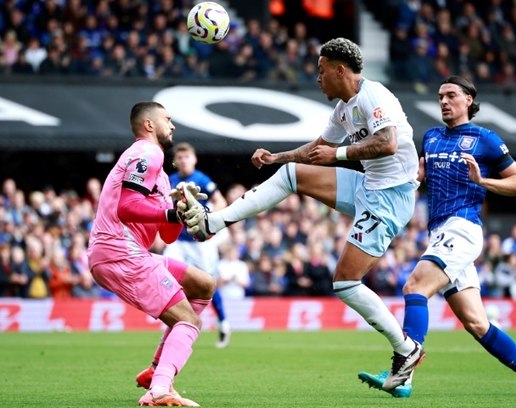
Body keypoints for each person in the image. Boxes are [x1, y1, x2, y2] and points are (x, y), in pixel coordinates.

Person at [181, 37, 424, 387]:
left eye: (322, 71)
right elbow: (318, 149)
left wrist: (338, 156)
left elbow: (387, 143)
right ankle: (213, 222)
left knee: (344, 283)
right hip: (367, 186)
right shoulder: (344, 108)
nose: (317, 78)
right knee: (293, 174)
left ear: (341, 70)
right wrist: (275, 158)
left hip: (390, 197)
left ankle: (406, 349)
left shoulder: (374, 96)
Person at [358, 76, 516, 398]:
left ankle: (401, 372)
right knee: (477, 324)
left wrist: (483, 181)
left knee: (415, 286)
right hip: (440, 233)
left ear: (468, 100)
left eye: (451, 95)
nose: (444, 102)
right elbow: (424, 183)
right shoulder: (431, 138)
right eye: (440, 97)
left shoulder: (485, 139)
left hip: (463, 228)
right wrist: (417, 180)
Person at [87, 101, 215, 406]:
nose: (172, 126)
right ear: (148, 125)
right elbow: (127, 207)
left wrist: (179, 208)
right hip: (121, 250)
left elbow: (167, 233)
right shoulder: (147, 152)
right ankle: (160, 389)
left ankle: (156, 371)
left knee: (203, 285)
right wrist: (170, 213)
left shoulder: (160, 172)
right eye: (168, 120)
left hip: (123, 252)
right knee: (189, 321)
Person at [164, 142, 233, 349]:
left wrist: (207, 219)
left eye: (187, 157)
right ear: (176, 161)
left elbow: (220, 202)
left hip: (199, 241)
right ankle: (171, 318)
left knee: (209, 283)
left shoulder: (201, 179)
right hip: (179, 241)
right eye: (180, 158)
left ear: (194, 159)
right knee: (163, 273)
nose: (183, 161)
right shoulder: (171, 180)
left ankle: (223, 322)